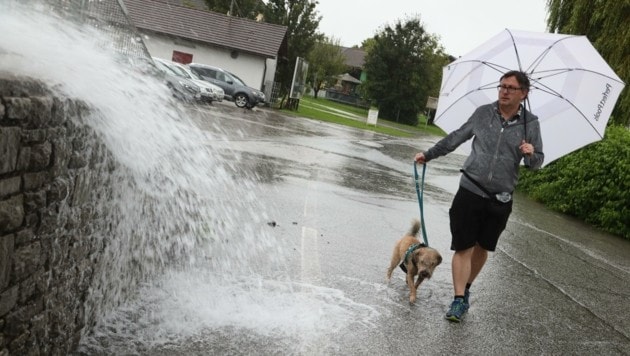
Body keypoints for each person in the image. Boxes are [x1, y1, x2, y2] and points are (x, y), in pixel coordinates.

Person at [414, 70, 544, 322]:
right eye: (502, 86)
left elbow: (537, 162)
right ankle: (459, 299)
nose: (504, 91)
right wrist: (428, 154)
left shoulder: (531, 124)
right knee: (462, 246)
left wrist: (530, 153)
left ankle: (467, 287)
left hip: (501, 198)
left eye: (511, 88)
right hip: (470, 190)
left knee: (482, 248)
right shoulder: (483, 113)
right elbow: (456, 137)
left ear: (524, 94)